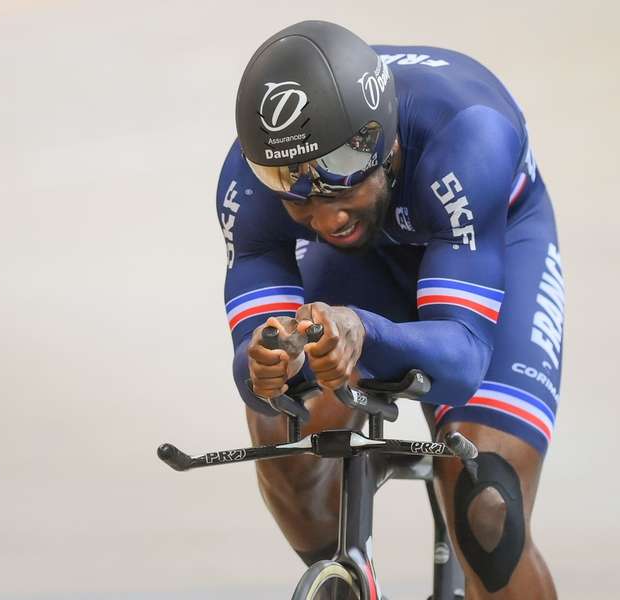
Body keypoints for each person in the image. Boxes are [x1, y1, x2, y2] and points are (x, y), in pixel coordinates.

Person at [217, 20, 563, 599]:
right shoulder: (254, 184)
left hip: (486, 241)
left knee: (488, 515)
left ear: (384, 140)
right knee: (283, 433)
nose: (325, 218)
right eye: (295, 191)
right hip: (361, 265)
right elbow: (252, 368)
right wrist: (267, 364)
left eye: (339, 183)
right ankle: (348, 572)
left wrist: (364, 332)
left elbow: (462, 359)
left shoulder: (466, 137)